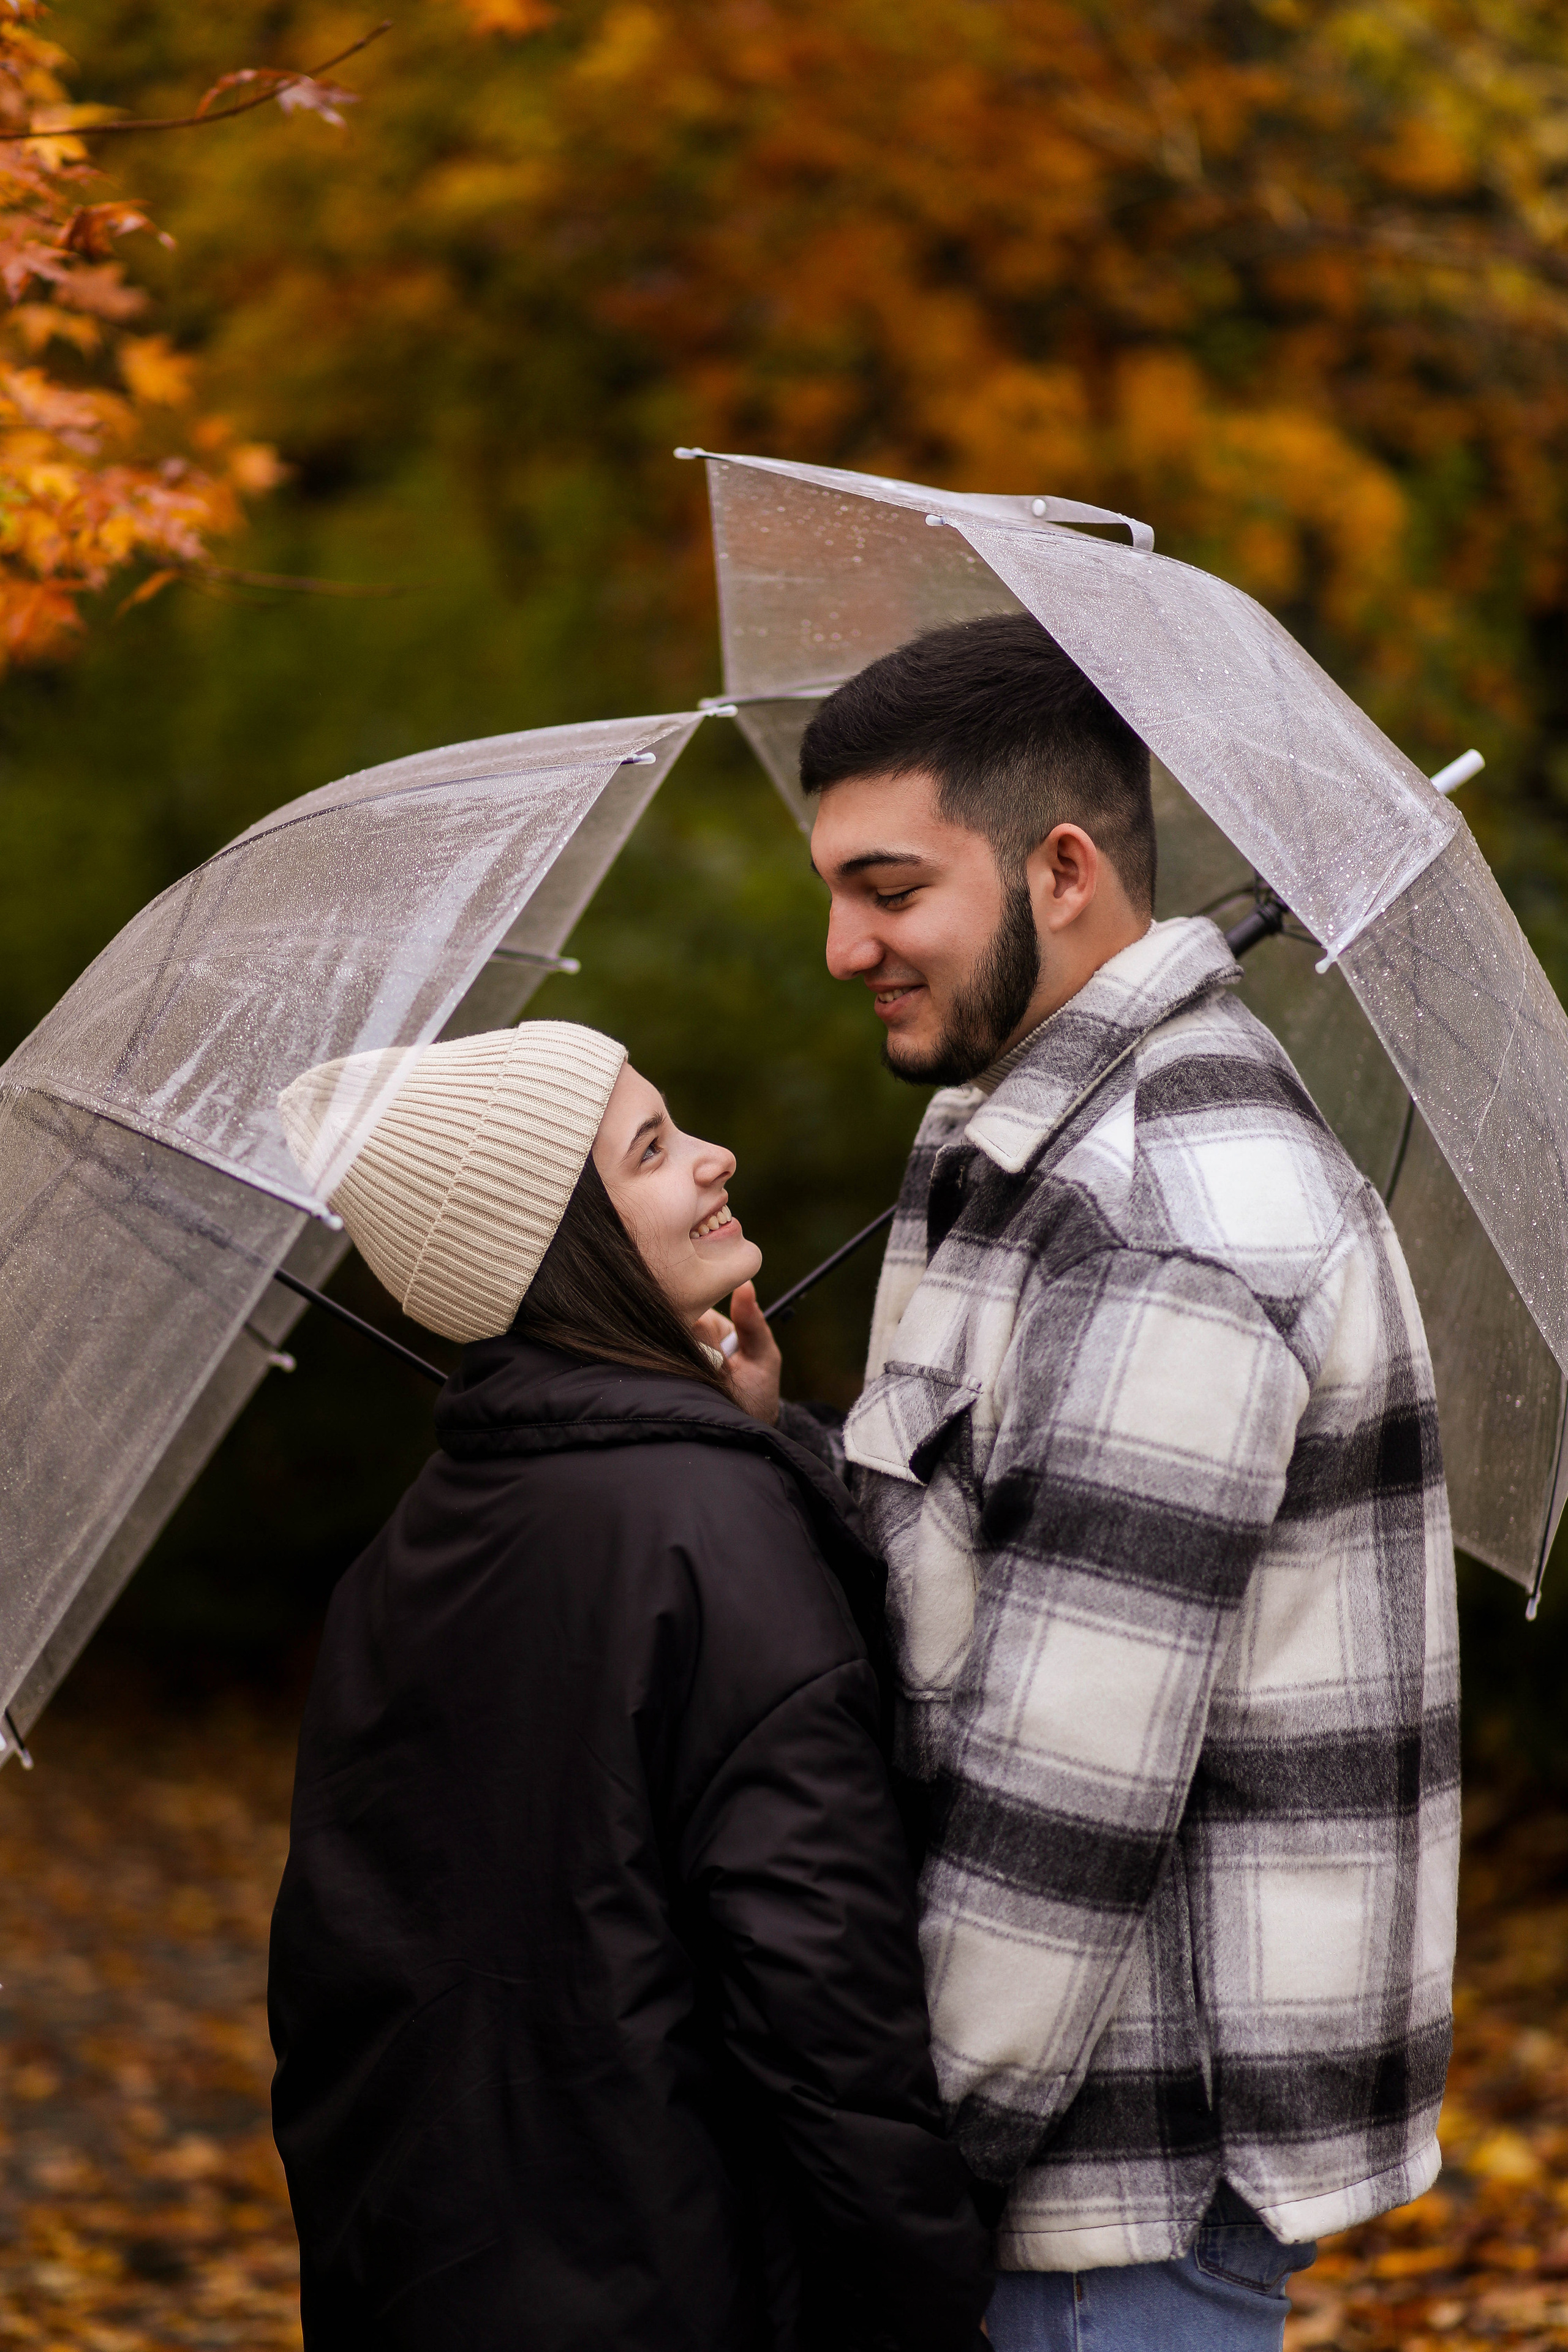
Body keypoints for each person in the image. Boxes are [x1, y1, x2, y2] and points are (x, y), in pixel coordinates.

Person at [722, 614, 1460, 2352]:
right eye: (837, 891)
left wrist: (886, 2199)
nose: (843, 947)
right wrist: (776, 1436)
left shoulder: (1168, 1229)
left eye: (889, 890)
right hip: (1041, 2185)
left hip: (1103, 2202)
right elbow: (970, 1570)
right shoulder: (999, 1154)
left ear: (1061, 871)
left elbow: (1062, 1820)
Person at [266, 1019, 993, 2352]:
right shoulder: (704, 1528)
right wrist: (931, 2304)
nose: (715, 1159)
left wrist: (759, 1443)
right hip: (679, 2285)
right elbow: (823, 1998)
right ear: (564, 1248)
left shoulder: (402, 1559)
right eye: (652, 1151)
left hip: (426, 2278)